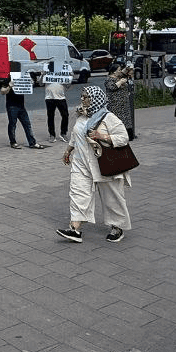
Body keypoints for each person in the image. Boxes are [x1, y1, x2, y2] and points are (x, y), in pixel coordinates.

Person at [56, 85, 132, 244]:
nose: (82, 99)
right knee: (78, 194)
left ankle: (117, 227)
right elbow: (76, 135)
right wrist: (68, 150)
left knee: (112, 198)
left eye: (86, 97)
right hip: (81, 163)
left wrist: (101, 135)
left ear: (95, 99)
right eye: (82, 96)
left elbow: (123, 137)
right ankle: (74, 229)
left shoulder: (107, 117)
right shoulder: (82, 115)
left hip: (105, 163)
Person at [1, 76, 43, 148]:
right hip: (12, 105)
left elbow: (29, 86)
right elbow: (2, 91)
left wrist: (31, 83)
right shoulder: (8, 78)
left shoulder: (23, 77)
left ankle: (32, 142)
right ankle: (13, 142)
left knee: (27, 124)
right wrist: (10, 86)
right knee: (12, 124)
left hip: (21, 106)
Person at [104, 63, 136, 140]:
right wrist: (121, 82)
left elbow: (123, 72)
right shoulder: (109, 80)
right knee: (117, 121)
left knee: (126, 121)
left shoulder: (119, 76)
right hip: (115, 105)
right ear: (114, 72)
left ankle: (128, 136)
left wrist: (128, 68)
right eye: (119, 70)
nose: (120, 71)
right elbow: (112, 87)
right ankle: (118, 136)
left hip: (123, 104)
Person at [43, 69, 69, 144]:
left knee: (65, 115)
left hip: (61, 97)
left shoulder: (62, 72)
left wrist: (70, 77)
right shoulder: (47, 70)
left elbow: (67, 86)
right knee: (50, 116)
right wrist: (43, 75)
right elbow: (41, 83)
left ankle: (63, 133)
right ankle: (52, 135)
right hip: (49, 98)